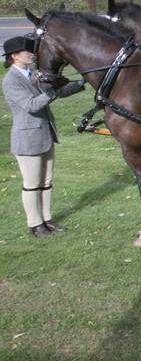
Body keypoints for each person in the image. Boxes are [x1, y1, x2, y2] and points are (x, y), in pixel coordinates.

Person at [2, 35, 85, 238]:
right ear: (14, 56)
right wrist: (53, 91)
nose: (31, 53)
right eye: (27, 51)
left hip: (46, 134)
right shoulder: (11, 80)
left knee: (46, 181)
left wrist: (83, 81)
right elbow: (31, 105)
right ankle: (35, 224)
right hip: (27, 139)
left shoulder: (32, 74)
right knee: (32, 184)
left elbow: (58, 92)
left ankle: (47, 220)